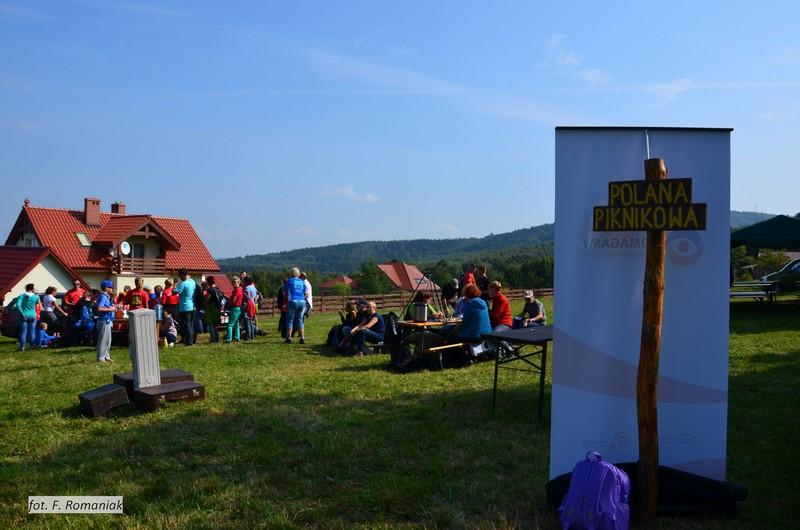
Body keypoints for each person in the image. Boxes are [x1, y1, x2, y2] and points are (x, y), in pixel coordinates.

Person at [283, 267, 308, 344]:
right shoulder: (302, 282)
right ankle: (302, 338)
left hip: (293, 301)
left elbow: (284, 292)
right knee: (300, 320)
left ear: (291, 274)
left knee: (290, 320)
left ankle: (289, 338)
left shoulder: (289, 281)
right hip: (302, 302)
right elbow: (307, 294)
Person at [173, 268, 197, 346]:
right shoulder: (192, 281)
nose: (180, 277)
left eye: (180, 275)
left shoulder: (183, 284)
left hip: (185, 307)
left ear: (182, 275)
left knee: (186, 325)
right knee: (191, 324)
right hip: (193, 306)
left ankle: (188, 342)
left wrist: (175, 286)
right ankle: (192, 340)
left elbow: (175, 292)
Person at [95, 280, 117, 362]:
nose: (112, 289)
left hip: (107, 321)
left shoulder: (107, 297)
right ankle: (100, 358)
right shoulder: (103, 296)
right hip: (103, 321)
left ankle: (106, 357)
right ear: (106, 288)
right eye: (111, 287)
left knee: (108, 340)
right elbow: (99, 308)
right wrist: (110, 309)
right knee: (103, 340)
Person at [15, 283, 39, 351]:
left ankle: (23, 348)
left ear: (26, 288)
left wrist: (22, 313)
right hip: (33, 315)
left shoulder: (22, 296)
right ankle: (32, 347)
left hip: (24, 315)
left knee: (23, 332)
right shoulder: (35, 296)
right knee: (32, 332)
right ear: (33, 289)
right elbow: (37, 303)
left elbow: (18, 305)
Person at [204, 276, 223, 343]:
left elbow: (207, 299)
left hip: (211, 307)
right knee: (215, 324)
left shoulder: (210, 289)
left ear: (208, 282)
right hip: (217, 307)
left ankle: (213, 338)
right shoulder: (218, 289)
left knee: (211, 324)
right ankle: (217, 337)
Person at [225, 276, 243, 344]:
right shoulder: (240, 289)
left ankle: (229, 340)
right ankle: (237, 338)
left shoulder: (237, 290)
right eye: (233, 282)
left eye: (235, 282)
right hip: (238, 308)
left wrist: (228, 303)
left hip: (234, 308)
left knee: (230, 325)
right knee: (236, 324)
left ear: (239, 282)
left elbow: (234, 299)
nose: (234, 283)